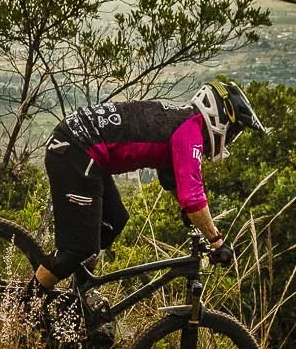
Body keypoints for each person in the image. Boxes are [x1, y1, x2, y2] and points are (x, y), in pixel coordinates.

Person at [30, 80, 265, 294]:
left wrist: (192, 217)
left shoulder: (180, 119)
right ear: (220, 118)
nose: (231, 139)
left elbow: (174, 181)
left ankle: (78, 295)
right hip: (76, 148)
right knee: (77, 251)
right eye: (233, 132)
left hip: (84, 148)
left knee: (115, 220)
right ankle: (24, 305)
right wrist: (217, 241)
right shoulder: (190, 131)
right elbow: (193, 197)